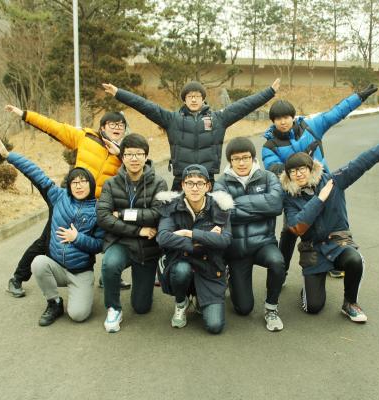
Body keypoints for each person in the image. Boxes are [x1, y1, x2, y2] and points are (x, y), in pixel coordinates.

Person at [281, 125, 379, 323]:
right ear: (288, 175)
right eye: (292, 171)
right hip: (313, 251)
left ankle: (350, 303)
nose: (298, 174)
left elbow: (361, 162)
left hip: (339, 243)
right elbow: (297, 227)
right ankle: (309, 288)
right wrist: (319, 199)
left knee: (354, 259)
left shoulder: (333, 181)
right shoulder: (290, 198)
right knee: (313, 307)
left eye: (301, 169)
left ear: (310, 169)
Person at [3, 105, 130, 297]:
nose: (117, 128)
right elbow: (54, 127)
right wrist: (24, 114)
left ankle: (109, 276)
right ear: (102, 127)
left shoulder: (124, 154)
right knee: (47, 239)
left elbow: (137, 171)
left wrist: (120, 154)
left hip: (98, 206)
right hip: (70, 200)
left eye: (121, 125)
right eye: (112, 124)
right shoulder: (87, 137)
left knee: (110, 239)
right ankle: (17, 278)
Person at [262, 84, 377, 279]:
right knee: (290, 232)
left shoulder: (311, 127)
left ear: (293, 116)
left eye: (286, 117)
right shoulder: (270, 145)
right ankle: (281, 272)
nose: (283, 121)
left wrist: (359, 97)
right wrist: (301, 163)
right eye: (278, 118)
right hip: (294, 195)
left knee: (330, 224)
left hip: (322, 187)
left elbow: (335, 113)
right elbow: (273, 168)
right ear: (273, 121)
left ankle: (334, 261)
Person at [0, 133, 104, 326]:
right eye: (74, 182)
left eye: (83, 181)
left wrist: (77, 238)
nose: (79, 186)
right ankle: (54, 302)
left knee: (78, 315)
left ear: (91, 184)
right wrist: (9, 156)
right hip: (57, 267)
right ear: (69, 186)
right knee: (38, 262)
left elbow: (99, 245)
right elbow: (36, 173)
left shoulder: (98, 210)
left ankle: (80, 292)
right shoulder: (58, 197)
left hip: (81, 271)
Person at [102, 79, 280, 190]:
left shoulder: (218, 119)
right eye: (189, 96)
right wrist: (118, 93)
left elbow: (244, 105)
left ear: (203, 99)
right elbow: (144, 105)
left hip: (208, 179)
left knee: (209, 224)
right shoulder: (172, 119)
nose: (193, 99)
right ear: (184, 99)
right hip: (181, 179)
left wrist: (269, 92)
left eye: (197, 96)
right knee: (174, 222)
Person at [96, 133, 168, 333]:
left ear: (146, 156)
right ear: (122, 157)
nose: (134, 159)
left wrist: (122, 214)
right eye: (129, 154)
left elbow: (157, 213)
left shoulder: (159, 183)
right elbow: (103, 217)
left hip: (147, 247)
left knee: (141, 307)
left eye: (139, 154)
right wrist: (138, 230)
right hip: (120, 241)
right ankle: (113, 308)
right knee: (110, 264)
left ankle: (144, 290)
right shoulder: (111, 184)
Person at [214, 137, 285, 332]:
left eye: (245, 157)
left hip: (264, 243)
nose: (242, 163)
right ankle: (231, 277)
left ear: (253, 158)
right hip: (236, 250)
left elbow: (275, 205)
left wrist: (236, 204)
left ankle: (271, 308)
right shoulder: (221, 183)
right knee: (243, 309)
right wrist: (260, 208)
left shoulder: (268, 177)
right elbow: (223, 212)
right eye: (236, 159)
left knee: (277, 262)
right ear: (230, 161)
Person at [156, 165, 233, 334]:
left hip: (210, 267)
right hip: (182, 261)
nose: (195, 188)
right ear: (183, 185)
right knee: (181, 270)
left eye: (200, 183)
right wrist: (202, 241)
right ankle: (181, 302)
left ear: (208, 186)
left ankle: (200, 297)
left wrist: (188, 233)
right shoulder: (171, 206)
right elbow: (163, 237)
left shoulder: (220, 206)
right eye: (190, 183)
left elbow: (225, 240)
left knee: (214, 326)